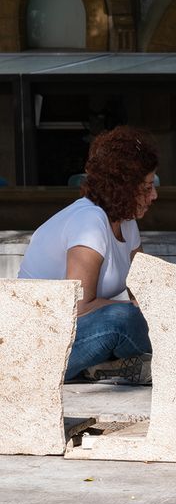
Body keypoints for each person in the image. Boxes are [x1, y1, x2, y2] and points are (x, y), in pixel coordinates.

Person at [18, 127, 158, 382]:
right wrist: (138, 310)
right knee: (123, 319)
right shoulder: (89, 221)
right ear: (124, 188)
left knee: (175, 317)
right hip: (39, 345)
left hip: (77, 335)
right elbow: (81, 307)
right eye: (147, 188)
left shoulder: (126, 222)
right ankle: (173, 362)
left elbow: (147, 293)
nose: (154, 196)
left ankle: (114, 367)